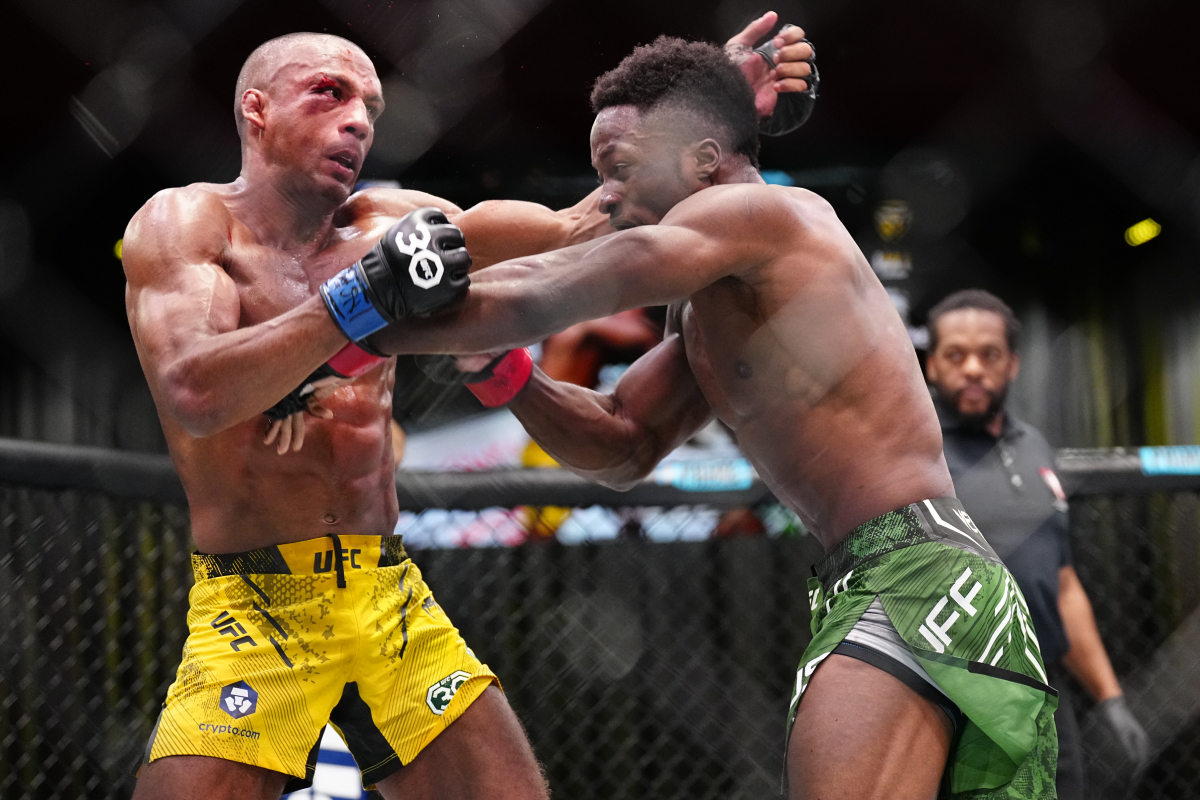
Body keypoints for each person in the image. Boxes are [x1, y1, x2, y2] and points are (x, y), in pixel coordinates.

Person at [121, 20, 816, 800]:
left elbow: (584, 225)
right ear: (256, 110)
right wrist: (356, 301)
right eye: (329, 93)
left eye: (369, 108)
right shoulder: (187, 223)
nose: (357, 121)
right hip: (255, 604)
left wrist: (705, 110)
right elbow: (195, 392)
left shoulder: (394, 224)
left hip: (384, 591)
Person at [370, 37, 1059, 800]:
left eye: (621, 169)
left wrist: (355, 321)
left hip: (915, 573)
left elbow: (552, 288)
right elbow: (624, 443)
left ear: (702, 160)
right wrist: (507, 374)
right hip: (906, 575)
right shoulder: (705, 311)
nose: (605, 198)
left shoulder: (765, 214)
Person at [925, 289, 1152, 798]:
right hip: (948, 693)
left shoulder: (1034, 446)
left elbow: (1062, 585)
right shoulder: (914, 451)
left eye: (989, 354)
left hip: (1042, 693)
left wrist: (1110, 697)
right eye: (956, 355)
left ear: (1013, 364)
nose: (973, 369)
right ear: (931, 366)